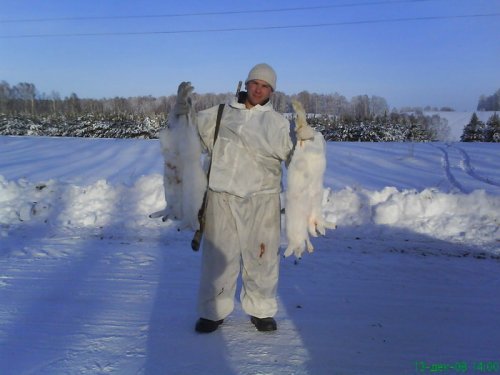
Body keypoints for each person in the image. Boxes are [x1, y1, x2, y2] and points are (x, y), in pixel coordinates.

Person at [173, 63, 315, 333]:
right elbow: (191, 139)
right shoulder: (220, 114)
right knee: (218, 259)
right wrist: (182, 115)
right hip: (221, 197)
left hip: (263, 200)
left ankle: (261, 311)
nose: (259, 89)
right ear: (246, 84)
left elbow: (297, 162)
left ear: (271, 90)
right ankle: (212, 311)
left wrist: (306, 140)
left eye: (265, 85)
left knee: (261, 259)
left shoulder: (277, 123)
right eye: (255, 83)